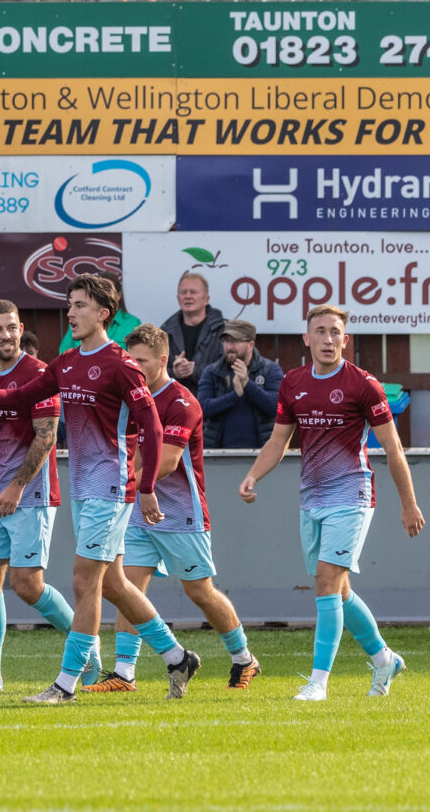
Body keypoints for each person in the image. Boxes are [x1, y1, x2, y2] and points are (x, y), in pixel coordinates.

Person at [0, 275, 200, 705]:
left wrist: (148, 485)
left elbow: (152, 427)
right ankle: (176, 656)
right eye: (70, 304)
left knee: (85, 583)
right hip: (84, 489)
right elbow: (20, 397)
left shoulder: (120, 363)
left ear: (103, 314)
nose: (71, 313)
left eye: (79, 305)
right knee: (112, 583)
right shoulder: (66, 362)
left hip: (111, 488)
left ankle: (65, 685)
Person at [239, 304, 424, 702]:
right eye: (319, 331)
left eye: (334, 332)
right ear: (306, 339)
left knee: (326, 580)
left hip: (353, 493)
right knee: (337, 589)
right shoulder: (292, 383)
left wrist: (408, 504)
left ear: (346, 339)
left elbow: (393, 448)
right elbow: (278, 440)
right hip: (313, 496)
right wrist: (254, 474)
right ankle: (384, 659)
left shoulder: (363, 385)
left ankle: (318, 683)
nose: (327, 339)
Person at [82, 325, 260, 695]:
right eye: (129, 359)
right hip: (136, 509)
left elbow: (168, 460)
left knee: (200, 592)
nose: (133, 366)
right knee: (127, 586)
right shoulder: (129, 397)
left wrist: (125, 484)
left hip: (179, 513)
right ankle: (124, 673)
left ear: (163, 360)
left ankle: (244, 658)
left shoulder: (182, 402)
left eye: (141, 361)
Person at [0, 300, 71, 694]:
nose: (6, 336)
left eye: (11, 328)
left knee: (27, 584)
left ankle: (86, 647)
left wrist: (16, 486)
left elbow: (46, 436)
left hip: (31, 493)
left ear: (20, 327)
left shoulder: (39, 374)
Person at [198, 319, 283, 449]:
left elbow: (275, 408)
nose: (229, 346)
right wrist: (234, 397)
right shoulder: (212, 371)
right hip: (218, 454)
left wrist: (247, 384)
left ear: (250, 344)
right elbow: (202, 410)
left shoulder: (270, 369)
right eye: (226, 341)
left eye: (235, 341)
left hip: (261, 453)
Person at [160, 272, 227, 395]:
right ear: (178, 298)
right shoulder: (164, 333)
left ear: (206, 299)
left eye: (194, 292)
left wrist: (194, 370)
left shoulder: (224, 330)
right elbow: (154, 372)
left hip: (214, 405)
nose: (188, 296)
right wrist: (174, 372)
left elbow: (230, 370)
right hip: (177, 405)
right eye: (183, 292)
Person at [56, 270, 139, 354]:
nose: (70, 314)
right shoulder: (77, 322)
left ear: (119, 295)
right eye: (100, 291)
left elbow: (138, 357)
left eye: (108, 290)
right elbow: (64, 354)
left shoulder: (133, 323)